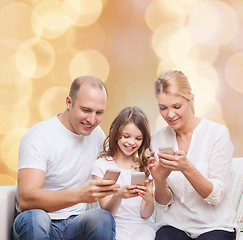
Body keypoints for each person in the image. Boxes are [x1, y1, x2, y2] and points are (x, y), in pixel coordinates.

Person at [13, 76, 120, 240]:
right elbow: (26, 199)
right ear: (69, 102)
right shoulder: (39, 136)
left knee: (101, 218)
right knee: (35, 218)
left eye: (99, 112)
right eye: (86, 110)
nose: (92, 120)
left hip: (75, 224)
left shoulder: (96, 135)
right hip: (40, 221)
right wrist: (79, 195)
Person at [149, 70, 237, 240]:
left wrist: (186, 167)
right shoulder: (157, 139)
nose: (170, 114)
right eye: (163, 108)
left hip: (214, 226)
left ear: (191, 100)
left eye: (177, 106)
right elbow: (163, 203)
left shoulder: (217, 134)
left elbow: (216, 197)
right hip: (175, 226)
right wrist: (159, 180)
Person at [92, 107, 156, 240]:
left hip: (142, 226)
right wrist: (118, 195)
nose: (131, 143)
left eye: (138, 138)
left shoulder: (145, 167)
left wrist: (148, 198)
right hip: (114, 226)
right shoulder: (102, 165)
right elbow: (107, 213)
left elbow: (145, 214)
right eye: (126, 136)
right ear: (116, 134)